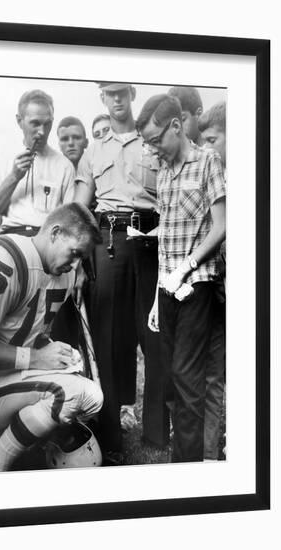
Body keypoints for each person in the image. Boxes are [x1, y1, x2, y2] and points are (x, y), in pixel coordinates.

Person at [0, 203, 104, 472]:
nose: (76, 265)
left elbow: (28, 333)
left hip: (0, 379)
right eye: (74, 253)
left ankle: (19, 453)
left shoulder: (61, 274)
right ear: (55, 233)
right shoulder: (8, 259)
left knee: (84, 391)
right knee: (79, 394)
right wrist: (36, 358)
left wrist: (55, 352)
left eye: (82, 259)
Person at [75, 82, 169, 462]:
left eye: (121, 92)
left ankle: (157, 434)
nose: (116, 99)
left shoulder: (153, 142)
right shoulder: (93, 152)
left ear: (131, 94)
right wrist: (81, 258)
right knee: (110, 341)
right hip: (109, 241)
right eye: (108, 93)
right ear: (102, 98)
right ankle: (110, 437)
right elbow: (82, 207)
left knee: (156, 336)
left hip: (152, 243)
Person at [137, 93, 226, 463]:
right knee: (171, 381)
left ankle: (189, 470)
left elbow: (222, 226)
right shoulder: (164, 172)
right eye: (149, 143)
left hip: (196, 284)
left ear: (176, 125)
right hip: (167, 289)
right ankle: (184, 460)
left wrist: (186, 267)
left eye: (157, 140)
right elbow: (165, 241)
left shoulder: (208, 162)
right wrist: (158, 299)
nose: (154, 149)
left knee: (188, 380)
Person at [0, 89, 76, 237]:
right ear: (19, 121)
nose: (42, 132)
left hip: (48, 241)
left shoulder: (64, 166)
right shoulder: (5, 158)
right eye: (35, 123)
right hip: (11, 238)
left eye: (47, 124)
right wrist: (14, 176)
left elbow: (70, 222)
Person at [198, 100, 227, 460]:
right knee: (214, 372)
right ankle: (208, 453)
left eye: (213, 139)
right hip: (217, 287)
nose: (207, 149)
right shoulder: (214, 178)